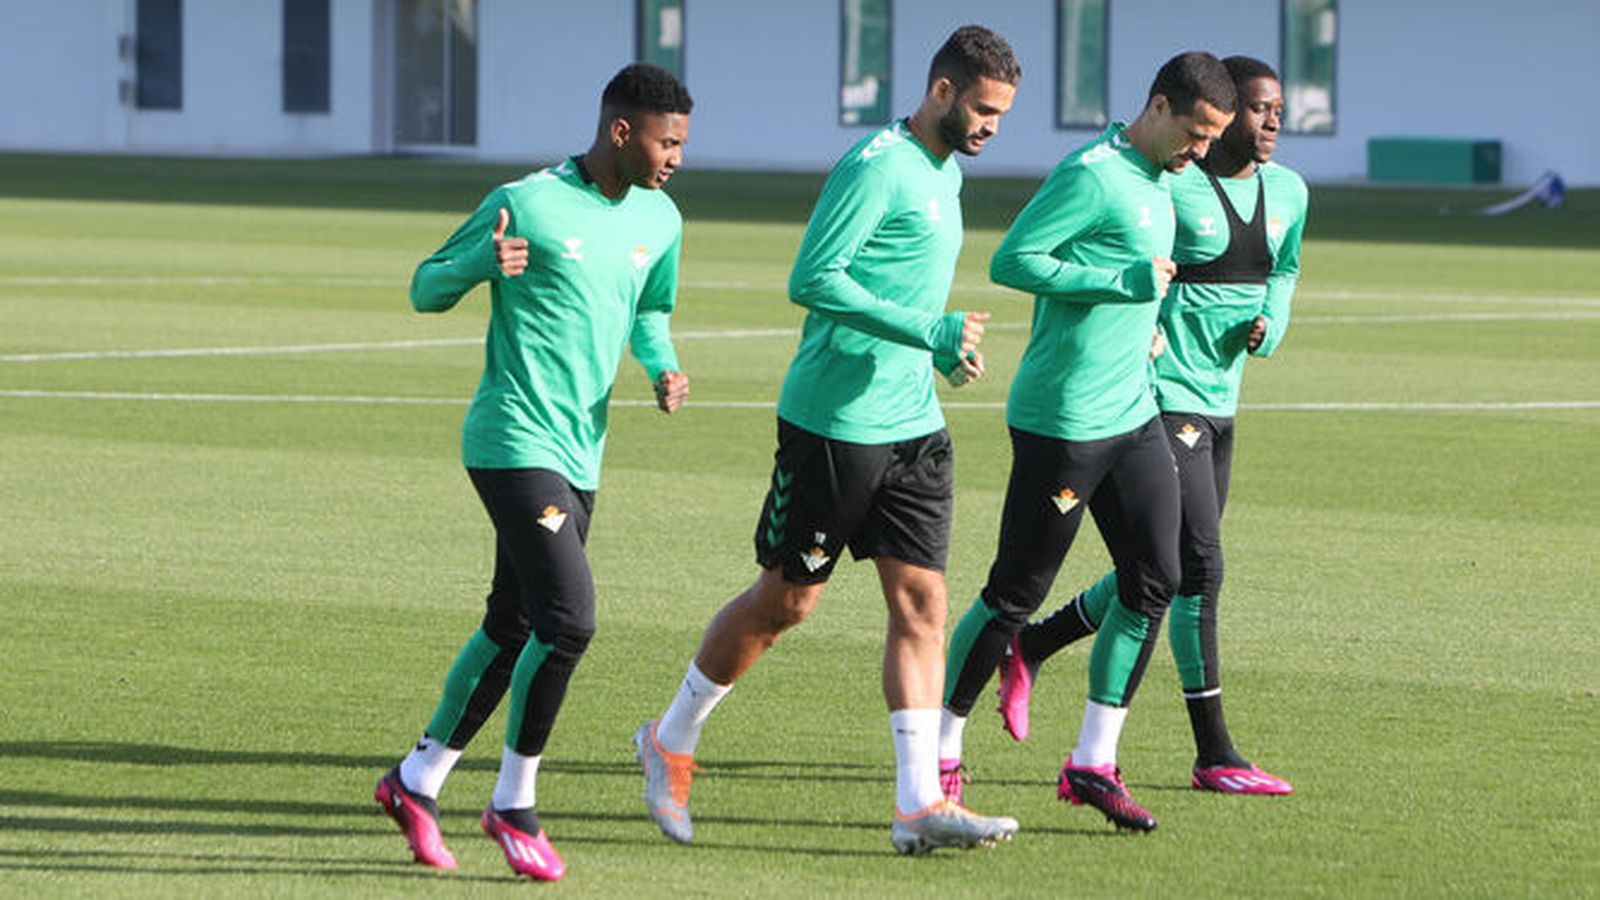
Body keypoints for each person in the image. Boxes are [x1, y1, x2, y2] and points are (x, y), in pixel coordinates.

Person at [633, 25, 1021, 856]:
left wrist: (939, 350)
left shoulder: (947, 172)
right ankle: (669, 738)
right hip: (834, 425)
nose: (993, 127)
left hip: (913, 425)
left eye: (1002, 114)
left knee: (922, 605)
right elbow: (812, 278)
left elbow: (905, 292)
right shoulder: (876, 166)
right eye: (984, 110)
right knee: (788, 603)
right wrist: (927, 329)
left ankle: (917, 805)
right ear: (942, 92)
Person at [371, 63, 694, 882]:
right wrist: (482, 262)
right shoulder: (528, 203)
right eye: (667, 142)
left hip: (581, 451)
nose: (676, 159)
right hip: (512, 441)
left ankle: (416, 780)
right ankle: (513, 804)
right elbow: (424, 288)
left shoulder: (660, 218)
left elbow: (651, 309)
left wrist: (661, 364)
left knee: (511, 624)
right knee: (569, 620)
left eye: (681, 144)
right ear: (621, 132)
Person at [936, 51, 1237, 834]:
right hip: (1064, 420)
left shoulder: (1164, 179)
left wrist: (1147, 330)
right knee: (1015, 593)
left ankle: (1092, 765)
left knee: (1156, 577)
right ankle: (939, 751)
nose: (1202, 150)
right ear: (1159, 106)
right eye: (1196, 133)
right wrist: (1119, 285)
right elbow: (1014, 261)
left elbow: (1142, 278)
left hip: (1133, 411)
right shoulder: (1091, 174)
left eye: (1213, 138)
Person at [991, 56, 1307, 797]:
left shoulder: (1290, 191)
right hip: (1161, 398)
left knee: (1160, 570)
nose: (1270, 122)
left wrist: (1274, 320)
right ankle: (1214, 754)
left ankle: (1032, 645)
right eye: (1257, 109)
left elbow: (1285, 268)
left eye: (1277, 111)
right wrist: (1143, 329)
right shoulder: (1170, 185)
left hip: (1223, 400)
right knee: (1199, 568)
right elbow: (1131, 266)